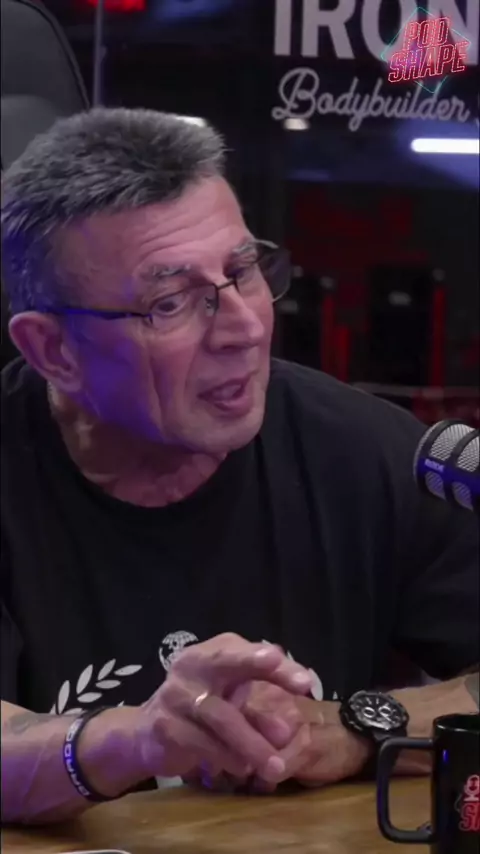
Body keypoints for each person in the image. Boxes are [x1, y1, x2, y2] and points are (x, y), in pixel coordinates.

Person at [1, 108, 478, 826]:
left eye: (241, 271)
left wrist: (356, 726)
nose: (246, 328)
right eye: (169, 303)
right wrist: (135, 740)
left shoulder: (361, 449)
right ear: (53, 351)